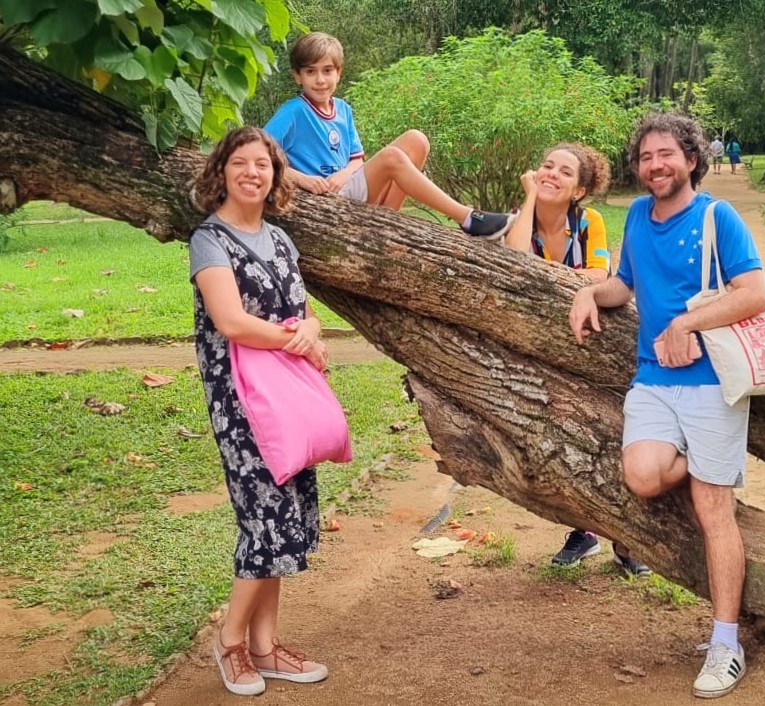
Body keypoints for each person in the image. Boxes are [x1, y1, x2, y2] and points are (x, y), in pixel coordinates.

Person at [569, 113, 765, 699]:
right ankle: (709, 460)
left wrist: (688, 321)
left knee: (713, 510)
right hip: (654, 381)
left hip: (713, 384)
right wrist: (587, 290)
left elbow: (753, 293)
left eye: (667, 155)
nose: (655, 165)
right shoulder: (636, 215)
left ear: (690, 158)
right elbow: (624, 286)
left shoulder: (716, 216)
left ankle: (725, 643)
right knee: (642, 474)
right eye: (646, 157)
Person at [189, 127, 330, 696]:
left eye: (264, 165)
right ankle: (229, 644)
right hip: (242, 400)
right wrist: (296, 338)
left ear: (275, 177)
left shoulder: (280, 239)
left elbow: (303, 310)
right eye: (241, 163)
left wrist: (313, 328)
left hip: (286, 395)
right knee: (263, 519)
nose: (253, 173)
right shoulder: (209, 240)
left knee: (286, 518)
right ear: (221, 171)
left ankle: (265, 649)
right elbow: (230, 321)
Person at [503, 143, 651, 578]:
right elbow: (514, 261)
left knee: (616, 434)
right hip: (547, 351)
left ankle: (628, 541)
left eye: (563, 172)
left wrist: (542, 276)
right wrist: (529, 197)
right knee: (566, 440)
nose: (550, 173)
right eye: (545, 165)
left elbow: (598, 276)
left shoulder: (590, 222)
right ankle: (583, 530)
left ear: (579, 191)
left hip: (599, 348)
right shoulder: (523, 218)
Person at [265, 31, 514, 240]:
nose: (320, 80)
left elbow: (356, 160)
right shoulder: (293, 112)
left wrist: (344, 173)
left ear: (339, 73)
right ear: (297, 76)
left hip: (346, 187)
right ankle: (468, 217)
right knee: (391, 157)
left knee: (417, 140)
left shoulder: (343, 109)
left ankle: (386, 221)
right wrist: (303, 180)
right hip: (326, 200)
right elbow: (259, 156)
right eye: (311, 72)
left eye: (327, 70)